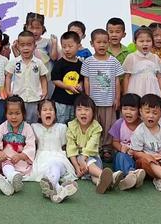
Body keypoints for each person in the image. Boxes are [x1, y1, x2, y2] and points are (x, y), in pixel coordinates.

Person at [82, 28, 124, 161]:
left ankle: (107, 147)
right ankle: (95, 147)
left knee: (109, 125)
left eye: (105, 42)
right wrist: (88, 98)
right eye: (98, 42)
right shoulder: (88, 61)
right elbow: (86, 80)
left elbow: (117, 80)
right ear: (91, 43)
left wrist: (117, 97)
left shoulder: (113, 61)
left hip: (109, 101)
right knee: (94, 124)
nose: (102, 45)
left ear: (109, 43)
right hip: (94, 101)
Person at [26, 100, 77, 203]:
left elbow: (64, 145)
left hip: (59, 156)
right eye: (44, 110)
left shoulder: (61, 127)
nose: (48, 112)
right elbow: (31, 145)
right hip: (42, 158)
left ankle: (52, 184)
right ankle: (59, 189)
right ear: (39, 114)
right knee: (47, 170)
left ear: (55, 113)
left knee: (55, 165)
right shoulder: (34, 127)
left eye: (51, 109)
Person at [66, 94, 117, 194]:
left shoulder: (96, 127)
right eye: (79, 109)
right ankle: (110, 178)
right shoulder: (72, 126)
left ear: (93, 112)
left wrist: (83, 159)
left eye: (86, 109)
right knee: (89, 167)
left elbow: (91, 146)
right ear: (75, 112)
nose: (83, 113)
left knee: (93, 172)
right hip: (76, 161)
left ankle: (100, 183)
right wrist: (77, 167)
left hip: (92, 157)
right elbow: (70, 148)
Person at [0, 96, 36, 196]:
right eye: (10, 113)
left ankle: (8, 181)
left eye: (17, 113)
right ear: (5, 114)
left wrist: (21, 156)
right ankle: (12, 177)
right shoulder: (2, 127)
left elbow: (31, 147)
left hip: (20, 160)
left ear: (24, 114)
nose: (14, 117)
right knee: (6, 165)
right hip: (6, 158)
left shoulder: (27, 128)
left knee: (22, 169)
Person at [5, 31, 48, 123]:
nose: (25, 48)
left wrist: (44, 91)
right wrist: (8, 91)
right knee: (20, 122)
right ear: (18, 46)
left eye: (29, 45)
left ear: (34, 46)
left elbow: (43, 77)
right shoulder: (14, 62)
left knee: (33, 122)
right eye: (22, 45)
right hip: (19, 99)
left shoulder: (38, 62)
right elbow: (8, 77)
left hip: (34, 98)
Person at [108, 93, 145, 190]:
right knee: (120, 156)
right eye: (125, 109)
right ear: (121, 110)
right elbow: (114, 142)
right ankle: (132, 175)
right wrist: (121, 148)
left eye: (132, 109)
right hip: (123, 156)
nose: (128, 112)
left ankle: (132, 178)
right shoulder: (119, 123)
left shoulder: (142, 125)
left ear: (139, 111)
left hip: (137, 157)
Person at [14, 13, 58, 93]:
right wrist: (14, 49)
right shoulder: (22, 41)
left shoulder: (47, 42)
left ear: (43, 28)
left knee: (46, 99)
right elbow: (20, 59)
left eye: (38, 28)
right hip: (29, 78)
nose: (35, 31)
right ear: (26, 27)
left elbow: (54, 57)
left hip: (46, 78)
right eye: (32, 28)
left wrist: (54, 44)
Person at [51, 31, 84, 124]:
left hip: (75, 102)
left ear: (78, 46)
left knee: (74, 124)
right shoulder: (59, 63)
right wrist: (68, 87)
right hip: (60, 102)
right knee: (61, 124)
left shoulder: (80, 64)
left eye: (70, 46)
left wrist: (80, 86)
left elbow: (81, 79)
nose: (67, 49)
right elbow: (55, 80)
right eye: (64, 47)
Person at [123, 27, 161, 100]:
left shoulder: (155, 58)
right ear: (135, 42)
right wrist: (126, 94)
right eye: (141, 41)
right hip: (135, 90)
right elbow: (126, 77)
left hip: (153, 91)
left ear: (152, 42)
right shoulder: (131, 57)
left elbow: (160, 77)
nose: (145, 44)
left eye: (148, 41)